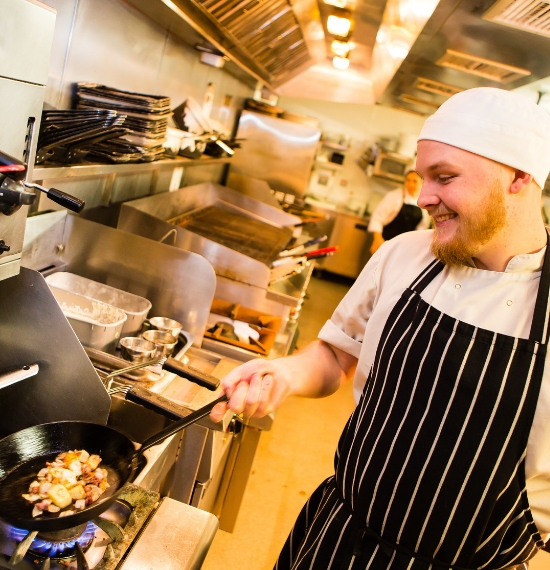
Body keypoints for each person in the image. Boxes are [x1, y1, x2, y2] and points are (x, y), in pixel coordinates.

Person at [210, 87, 550, 570]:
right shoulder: (403, 255)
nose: (424, 196)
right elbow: (334, 356)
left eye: (444, 177)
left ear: (519, 177)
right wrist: (283, 375)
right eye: (422, 176)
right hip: (337, 540)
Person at [368, 170, 431, 255]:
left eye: (414, 181)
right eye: (408, 180)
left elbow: (421, 229)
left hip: (404, 249)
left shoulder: (424, 202)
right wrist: (377, 239)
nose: (410, 184)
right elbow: (377, 218)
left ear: (422, 183)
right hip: (384, 242)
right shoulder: (394, 196)